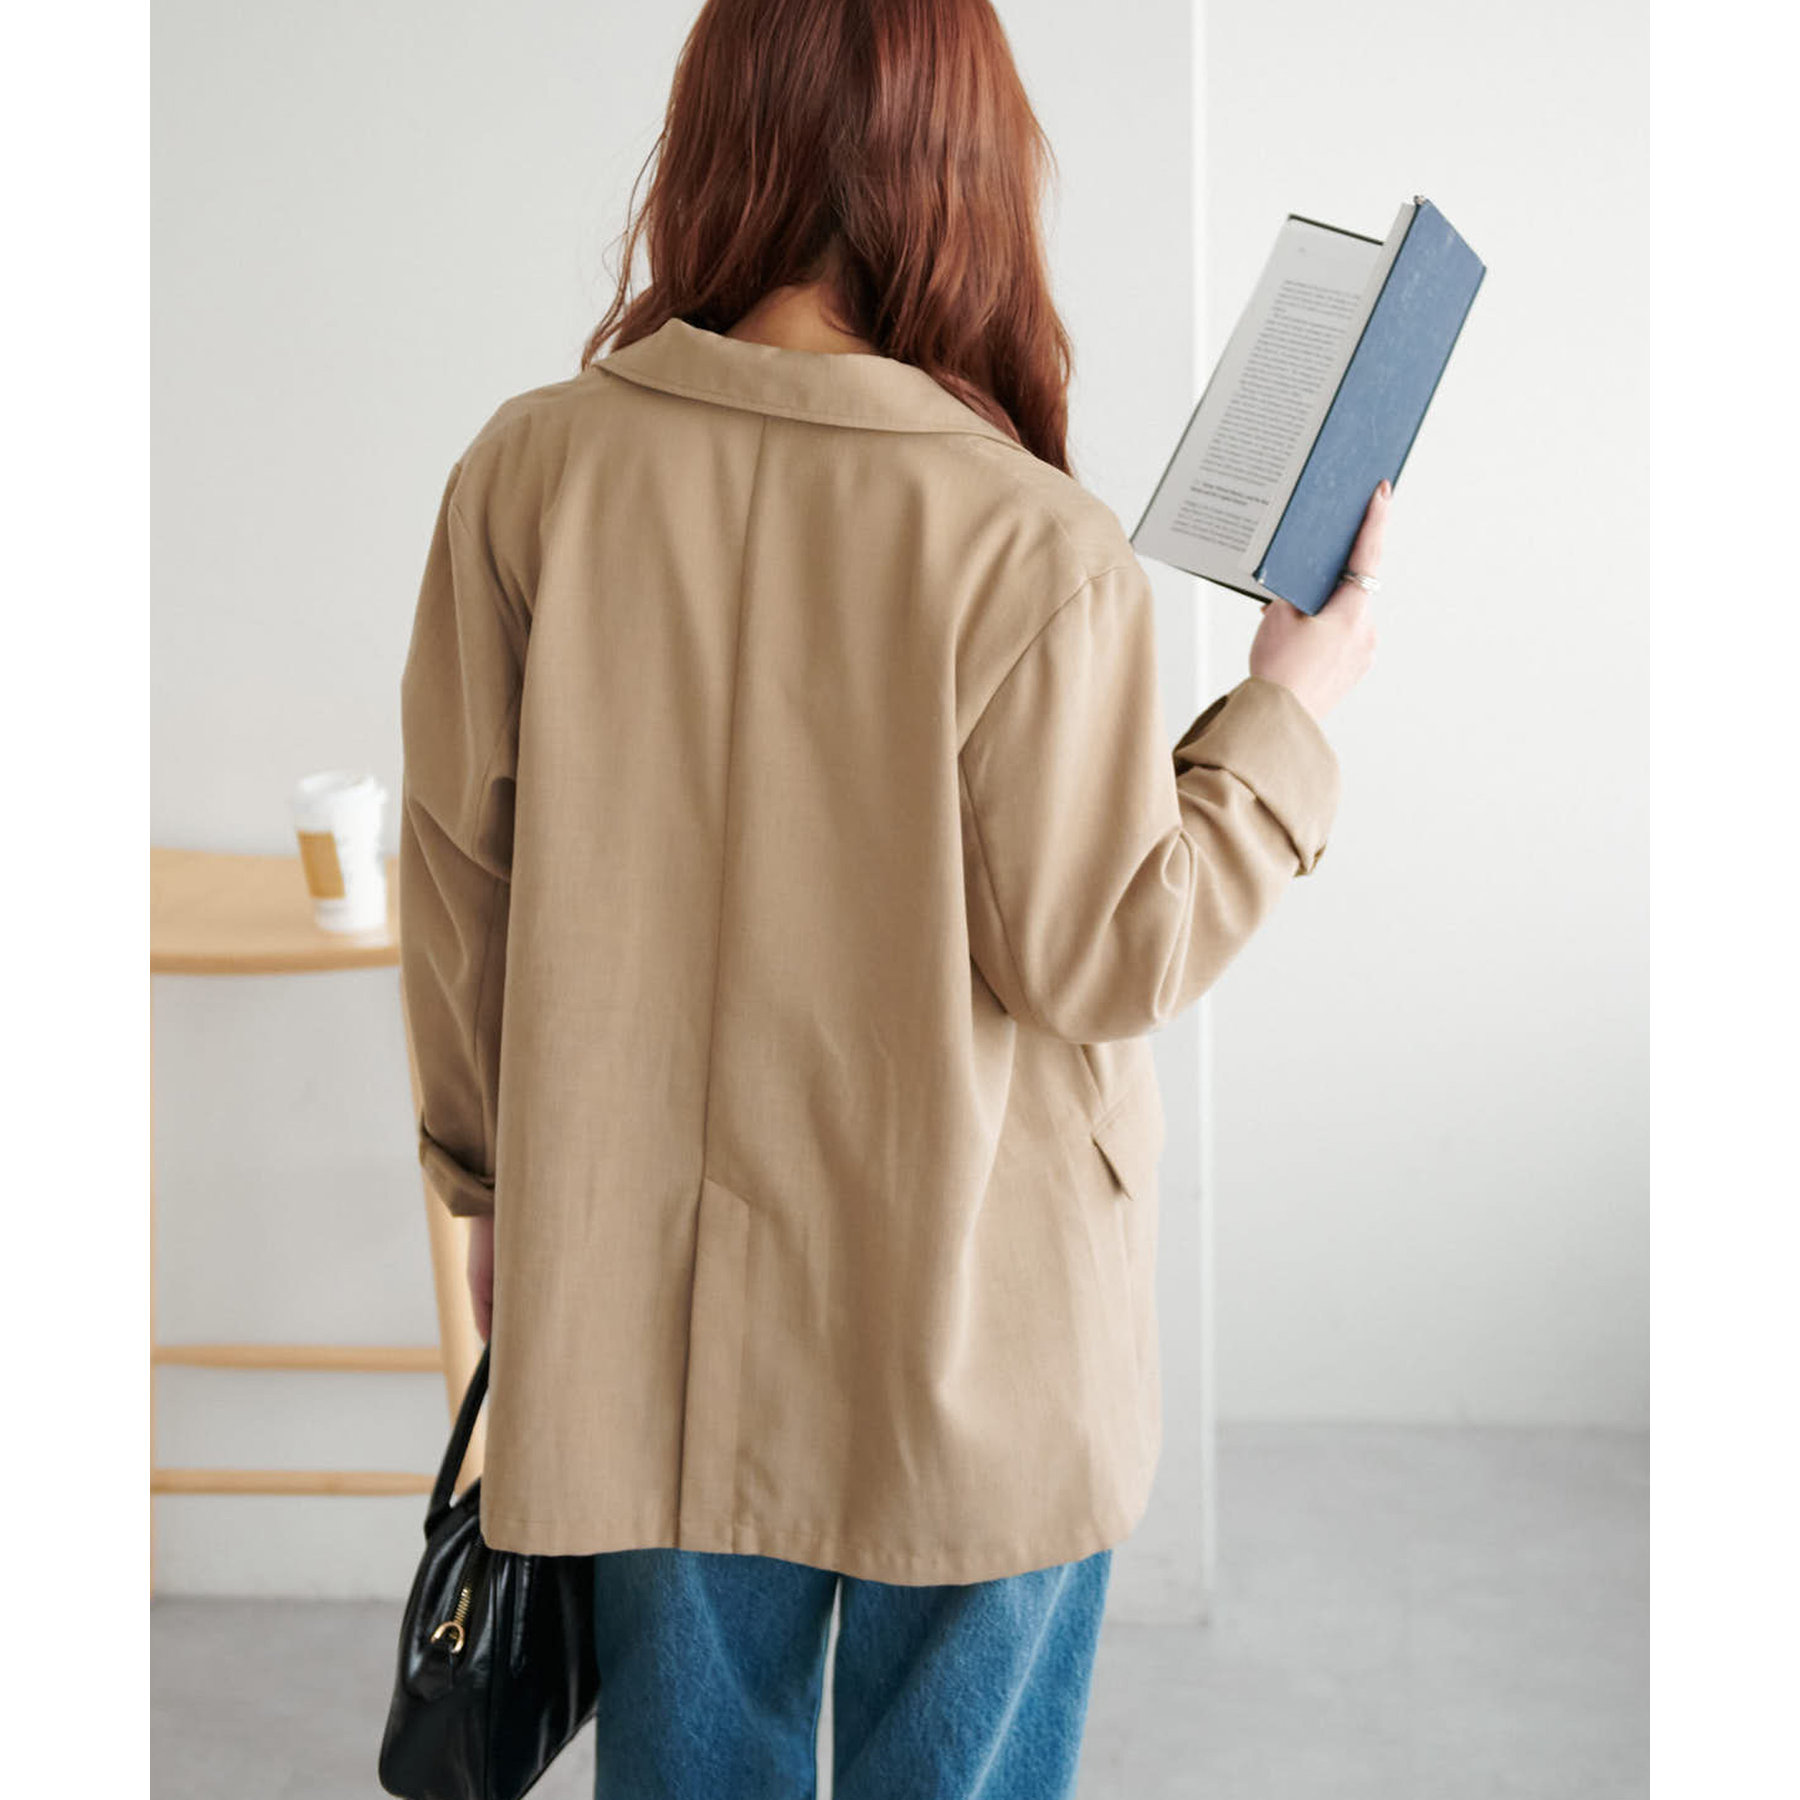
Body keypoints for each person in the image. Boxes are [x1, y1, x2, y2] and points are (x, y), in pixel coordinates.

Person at [397, 0, 1382, 1794]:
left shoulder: (527, 476)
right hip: (984, 1326)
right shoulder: (1027, 539)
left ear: (714, 145)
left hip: (653, 1319)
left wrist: (489, 1187)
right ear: (967, 175)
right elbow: (1109, 951)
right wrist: (1287, 710)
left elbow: (465, 883)